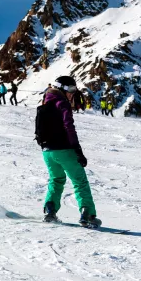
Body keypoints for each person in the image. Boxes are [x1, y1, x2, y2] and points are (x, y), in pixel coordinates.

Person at [36, 75, 101, 229]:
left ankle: (50, 211)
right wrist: (78, 150)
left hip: (47, 151)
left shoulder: (46, 101)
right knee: (80, 182)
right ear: (62, 89)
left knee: (56, 179)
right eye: (71, 89)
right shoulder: (62, 103)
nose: (73, 92)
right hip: (64, 149)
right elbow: (69, 127)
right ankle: (88, 214)